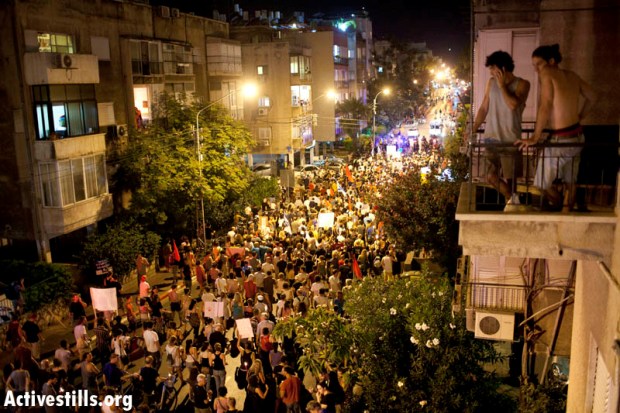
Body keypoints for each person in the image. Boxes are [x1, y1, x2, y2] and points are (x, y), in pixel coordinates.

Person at [516, 44, 596, 211]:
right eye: (534, 66)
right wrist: (580, 116)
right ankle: (566, 213)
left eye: (539, 64)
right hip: (577, 136)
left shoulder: (548, 73)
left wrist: (535, 137)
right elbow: (593, 97)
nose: (537, 70)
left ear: (551, 61)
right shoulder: (572, 76)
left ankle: (560, 206)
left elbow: (545, 105)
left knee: (540, 185)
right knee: (570, 181)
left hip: (561, 139)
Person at [470, 50, 530, 211]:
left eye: (493, 68)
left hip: (511, 140)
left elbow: (513, 105)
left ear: (503, 68)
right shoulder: (491, 82)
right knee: (490, 176)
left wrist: (503, 86)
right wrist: (473, 128)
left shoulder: (523, 84)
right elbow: (484, 107)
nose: (490, 72)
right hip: (491, 138)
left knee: (512, 180)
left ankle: (513, 206)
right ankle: (513, 200)